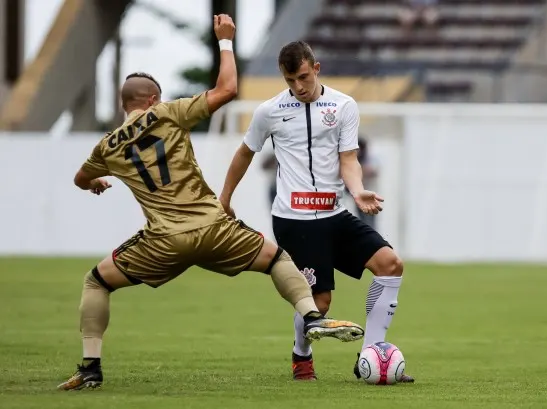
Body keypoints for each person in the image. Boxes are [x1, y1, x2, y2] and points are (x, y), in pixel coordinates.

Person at [57, 17, 364, 391]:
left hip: (163, 240)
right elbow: (228, 88)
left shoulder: (106, 146)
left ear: (125, 105)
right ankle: (312, 316)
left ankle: (91, 367)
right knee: (278, 259)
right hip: (214, 226)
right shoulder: (168, 113)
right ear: (154, 99)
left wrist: (96, 183)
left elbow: (79, 178)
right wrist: (225, 42)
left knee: (97, 281)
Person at [219, 41, 414, 383]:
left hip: (335, 214)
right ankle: (301, 355)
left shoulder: (343, 105)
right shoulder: (269, 111)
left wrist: (358, 191)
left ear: (317, 68)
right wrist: (225, 197)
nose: (298, 86)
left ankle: (371, 355)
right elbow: (245, 153)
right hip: (294, 220)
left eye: (303, 77)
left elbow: (348, 159)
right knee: (319, 303)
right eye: (290, 80)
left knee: (390, 265)